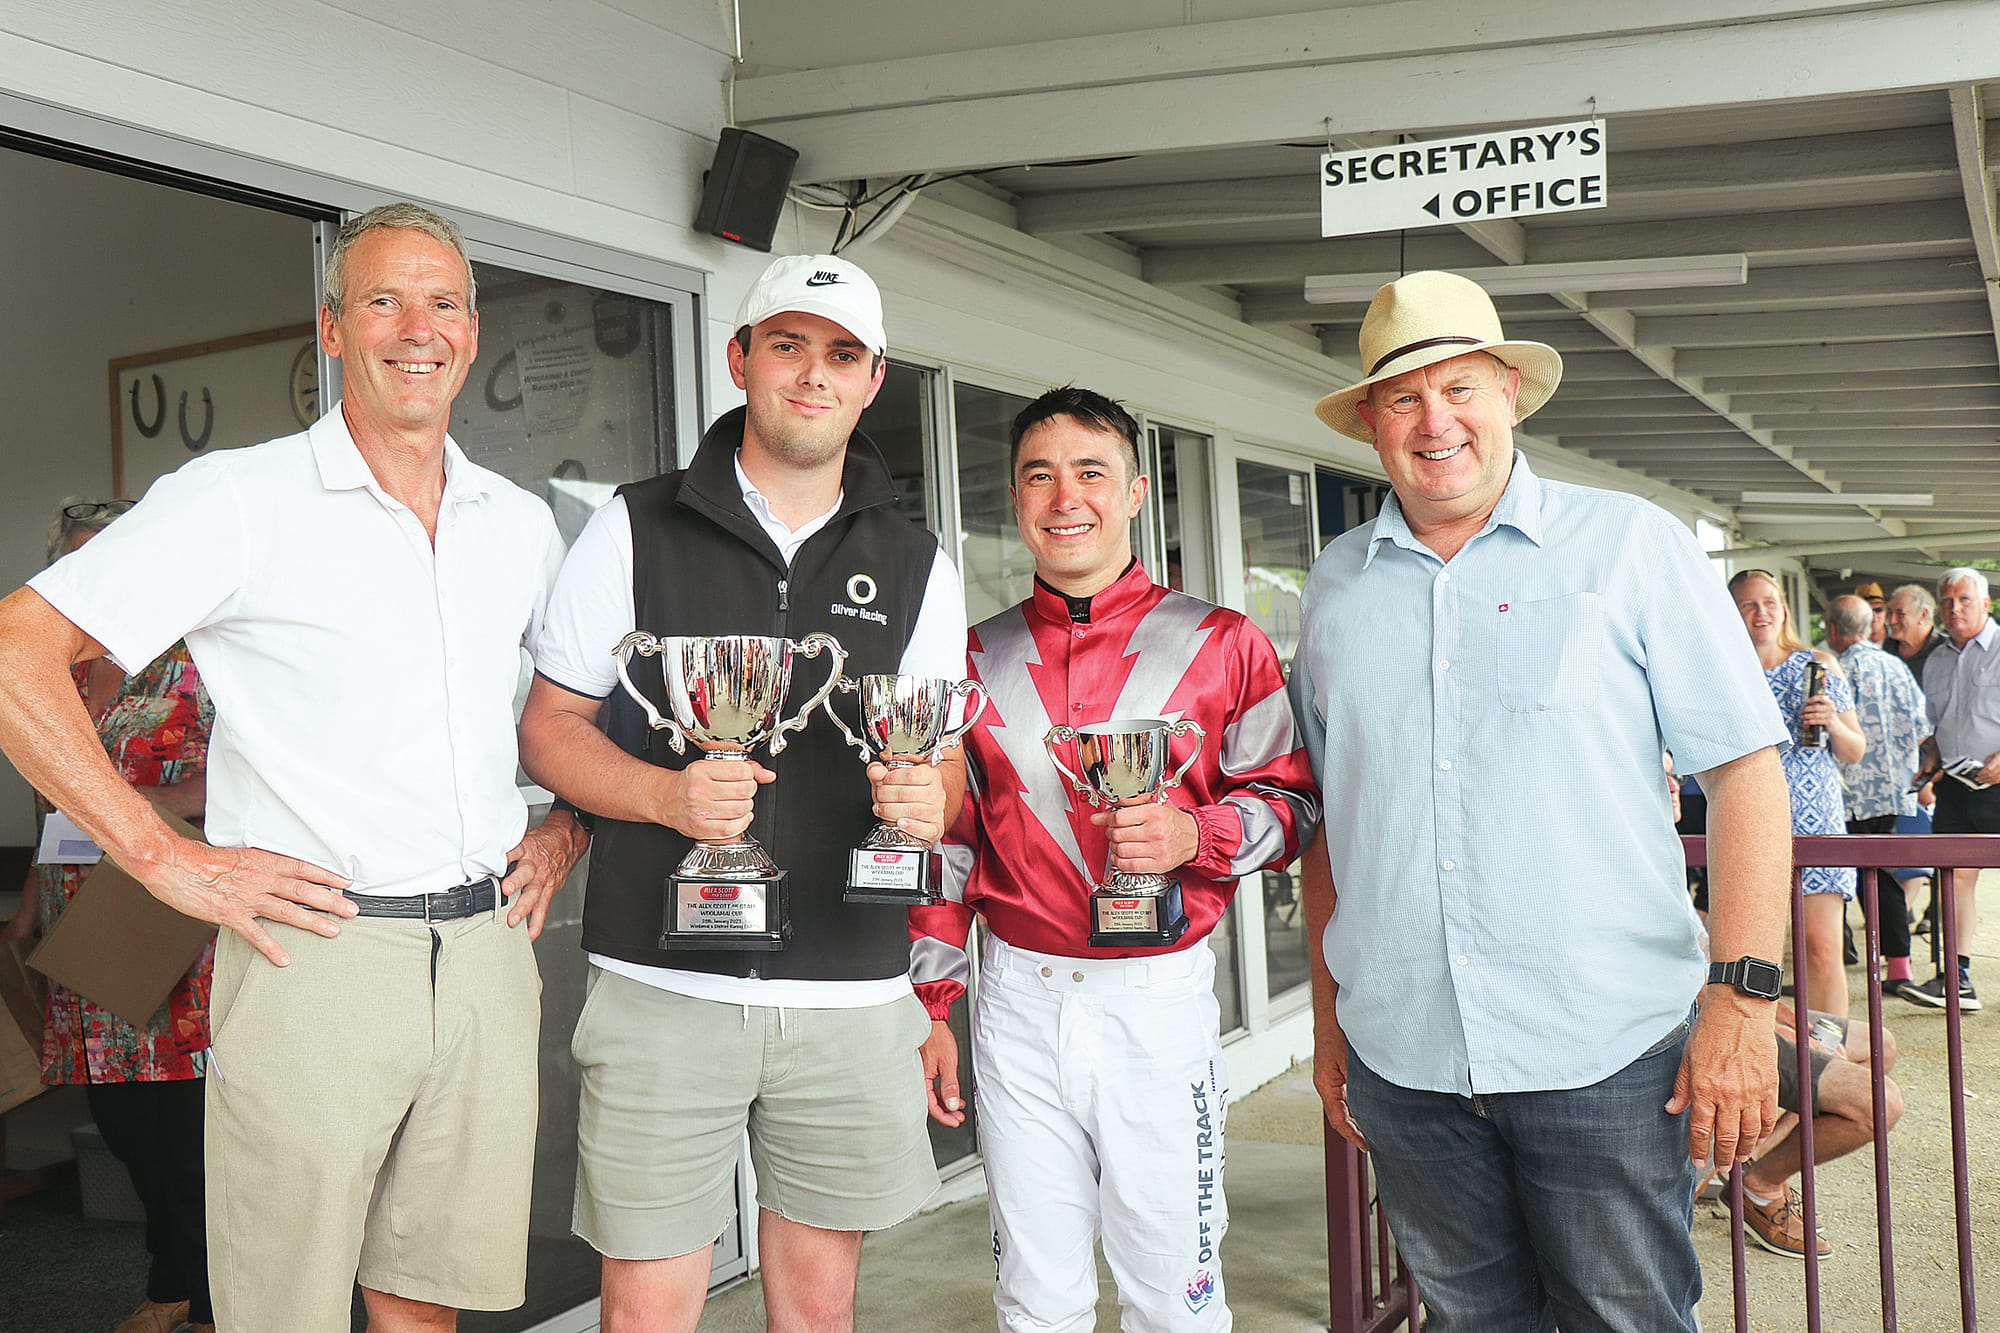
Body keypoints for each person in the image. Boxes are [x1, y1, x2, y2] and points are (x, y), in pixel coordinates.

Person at [0, 203, 589, 1333]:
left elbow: (565, 718)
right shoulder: (242, 500)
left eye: (444, 302)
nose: (418, 328)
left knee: (428, 1298)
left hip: (483, 952)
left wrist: (565, 826)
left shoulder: (514, 524)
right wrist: (166, 858)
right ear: (331, 330)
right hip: (316, 946)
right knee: (286, 1309)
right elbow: (23, 649)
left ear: (472, 332)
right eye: (383, 300)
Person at [1288, 270, 1792, 1333]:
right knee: (1473, 1323)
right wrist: (1332, 1023)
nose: (1434, 422)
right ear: (1372, 422)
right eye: (1402, 398)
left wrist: (1739, 1004)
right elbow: (1332, 821)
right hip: (1406, 1058)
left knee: (1628, 1321)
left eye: (1458, 386)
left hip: (1603, 1050)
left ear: (1508, 390)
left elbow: (1744, 776)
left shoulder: (1630, 545)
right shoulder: (1334, 586)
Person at [519, 253, 966, 1333]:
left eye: (841, 355)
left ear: (872, 381)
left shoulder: (916, 561)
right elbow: (547, 731)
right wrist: (666, 799)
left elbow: (943, 759)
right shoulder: (632, 525)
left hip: (853, 996)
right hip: (659, 986)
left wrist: (926, 800)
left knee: (819, 1311)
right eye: (788, 345)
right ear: (740, 359)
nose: (813, 376)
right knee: (646, 1308)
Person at [907, 387, 1319, 1331]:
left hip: (1155, 1001)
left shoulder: (1225, 642)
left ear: (1136, 493)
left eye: (1091, 472)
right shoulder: (971, 657)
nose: (1066, 497)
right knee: (1034, 1297)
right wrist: (934, 1004)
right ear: (1015, 499)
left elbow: (1293, 805)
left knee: (1173, 1294)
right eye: (1040, 476)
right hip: (1015, 1000)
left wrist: (1192, 837)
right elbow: (949, 844)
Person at [1, 499, 216, 1333]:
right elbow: (53, 804)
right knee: (124, 1124)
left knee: (187, 1125)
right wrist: (26, 910)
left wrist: (145, 807)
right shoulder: (47, 667)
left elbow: (245, 774)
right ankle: (177, 1273)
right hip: (75, 911)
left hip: (165, 911)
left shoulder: (196, 658)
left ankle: (199, 1293)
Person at [1730, 570, 1864, 1017]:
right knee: (1748, 955)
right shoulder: (1724, 669)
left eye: (1768, 601)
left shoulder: (1818, 663)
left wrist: (1833, 722)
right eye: (1748, 604)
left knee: (1821, 948)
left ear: (1784, 607)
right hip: (1747, 818)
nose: (1760, 612)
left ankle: (1830, 1056)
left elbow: (1855, 751)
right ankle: (1774, 1052)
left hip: (1815, 816)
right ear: (1731, 612)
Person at [1732, 1003, 1904, 1259]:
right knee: (1880, 1103)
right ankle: (1760, 1189)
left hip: (1748, 1004)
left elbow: (1747, 970)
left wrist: (1794, 1021)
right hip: (1715, 1020)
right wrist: (1777, 1028)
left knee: (1879, 1044)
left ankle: (1755, 1157)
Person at [1824, 594, 1930, 994]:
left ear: (1833, 630)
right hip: (1894, 789)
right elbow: (1923, 725)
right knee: (1881, 873)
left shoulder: (1832, 670)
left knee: (1837, 875)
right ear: (1871, 627)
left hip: (1849, 791)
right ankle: (1897, 964)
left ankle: (1849, 952)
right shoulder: (1896, 666)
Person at [1907, 566, 1999, 1012]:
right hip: (1957, 788)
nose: (1954, 608)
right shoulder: (1938, 660)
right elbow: (1939, 726)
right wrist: (1930, 758)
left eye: (1964, 599)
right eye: (1947, 601)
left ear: (1986, 603)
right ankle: (1955, 979)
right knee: (1954, 879)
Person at [1886, 583, 1949, 678]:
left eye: (1900, 614)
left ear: (1923, 615)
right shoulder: (1886, 648)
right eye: (1890, 612)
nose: (1892, 621)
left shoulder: (1947, 651)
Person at [1855, 580, 1890, 646]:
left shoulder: (1899, 638)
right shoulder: (1849, 642)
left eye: (1878, 610)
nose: (1873, 616)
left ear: (1885, 612)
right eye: (1867, 611)